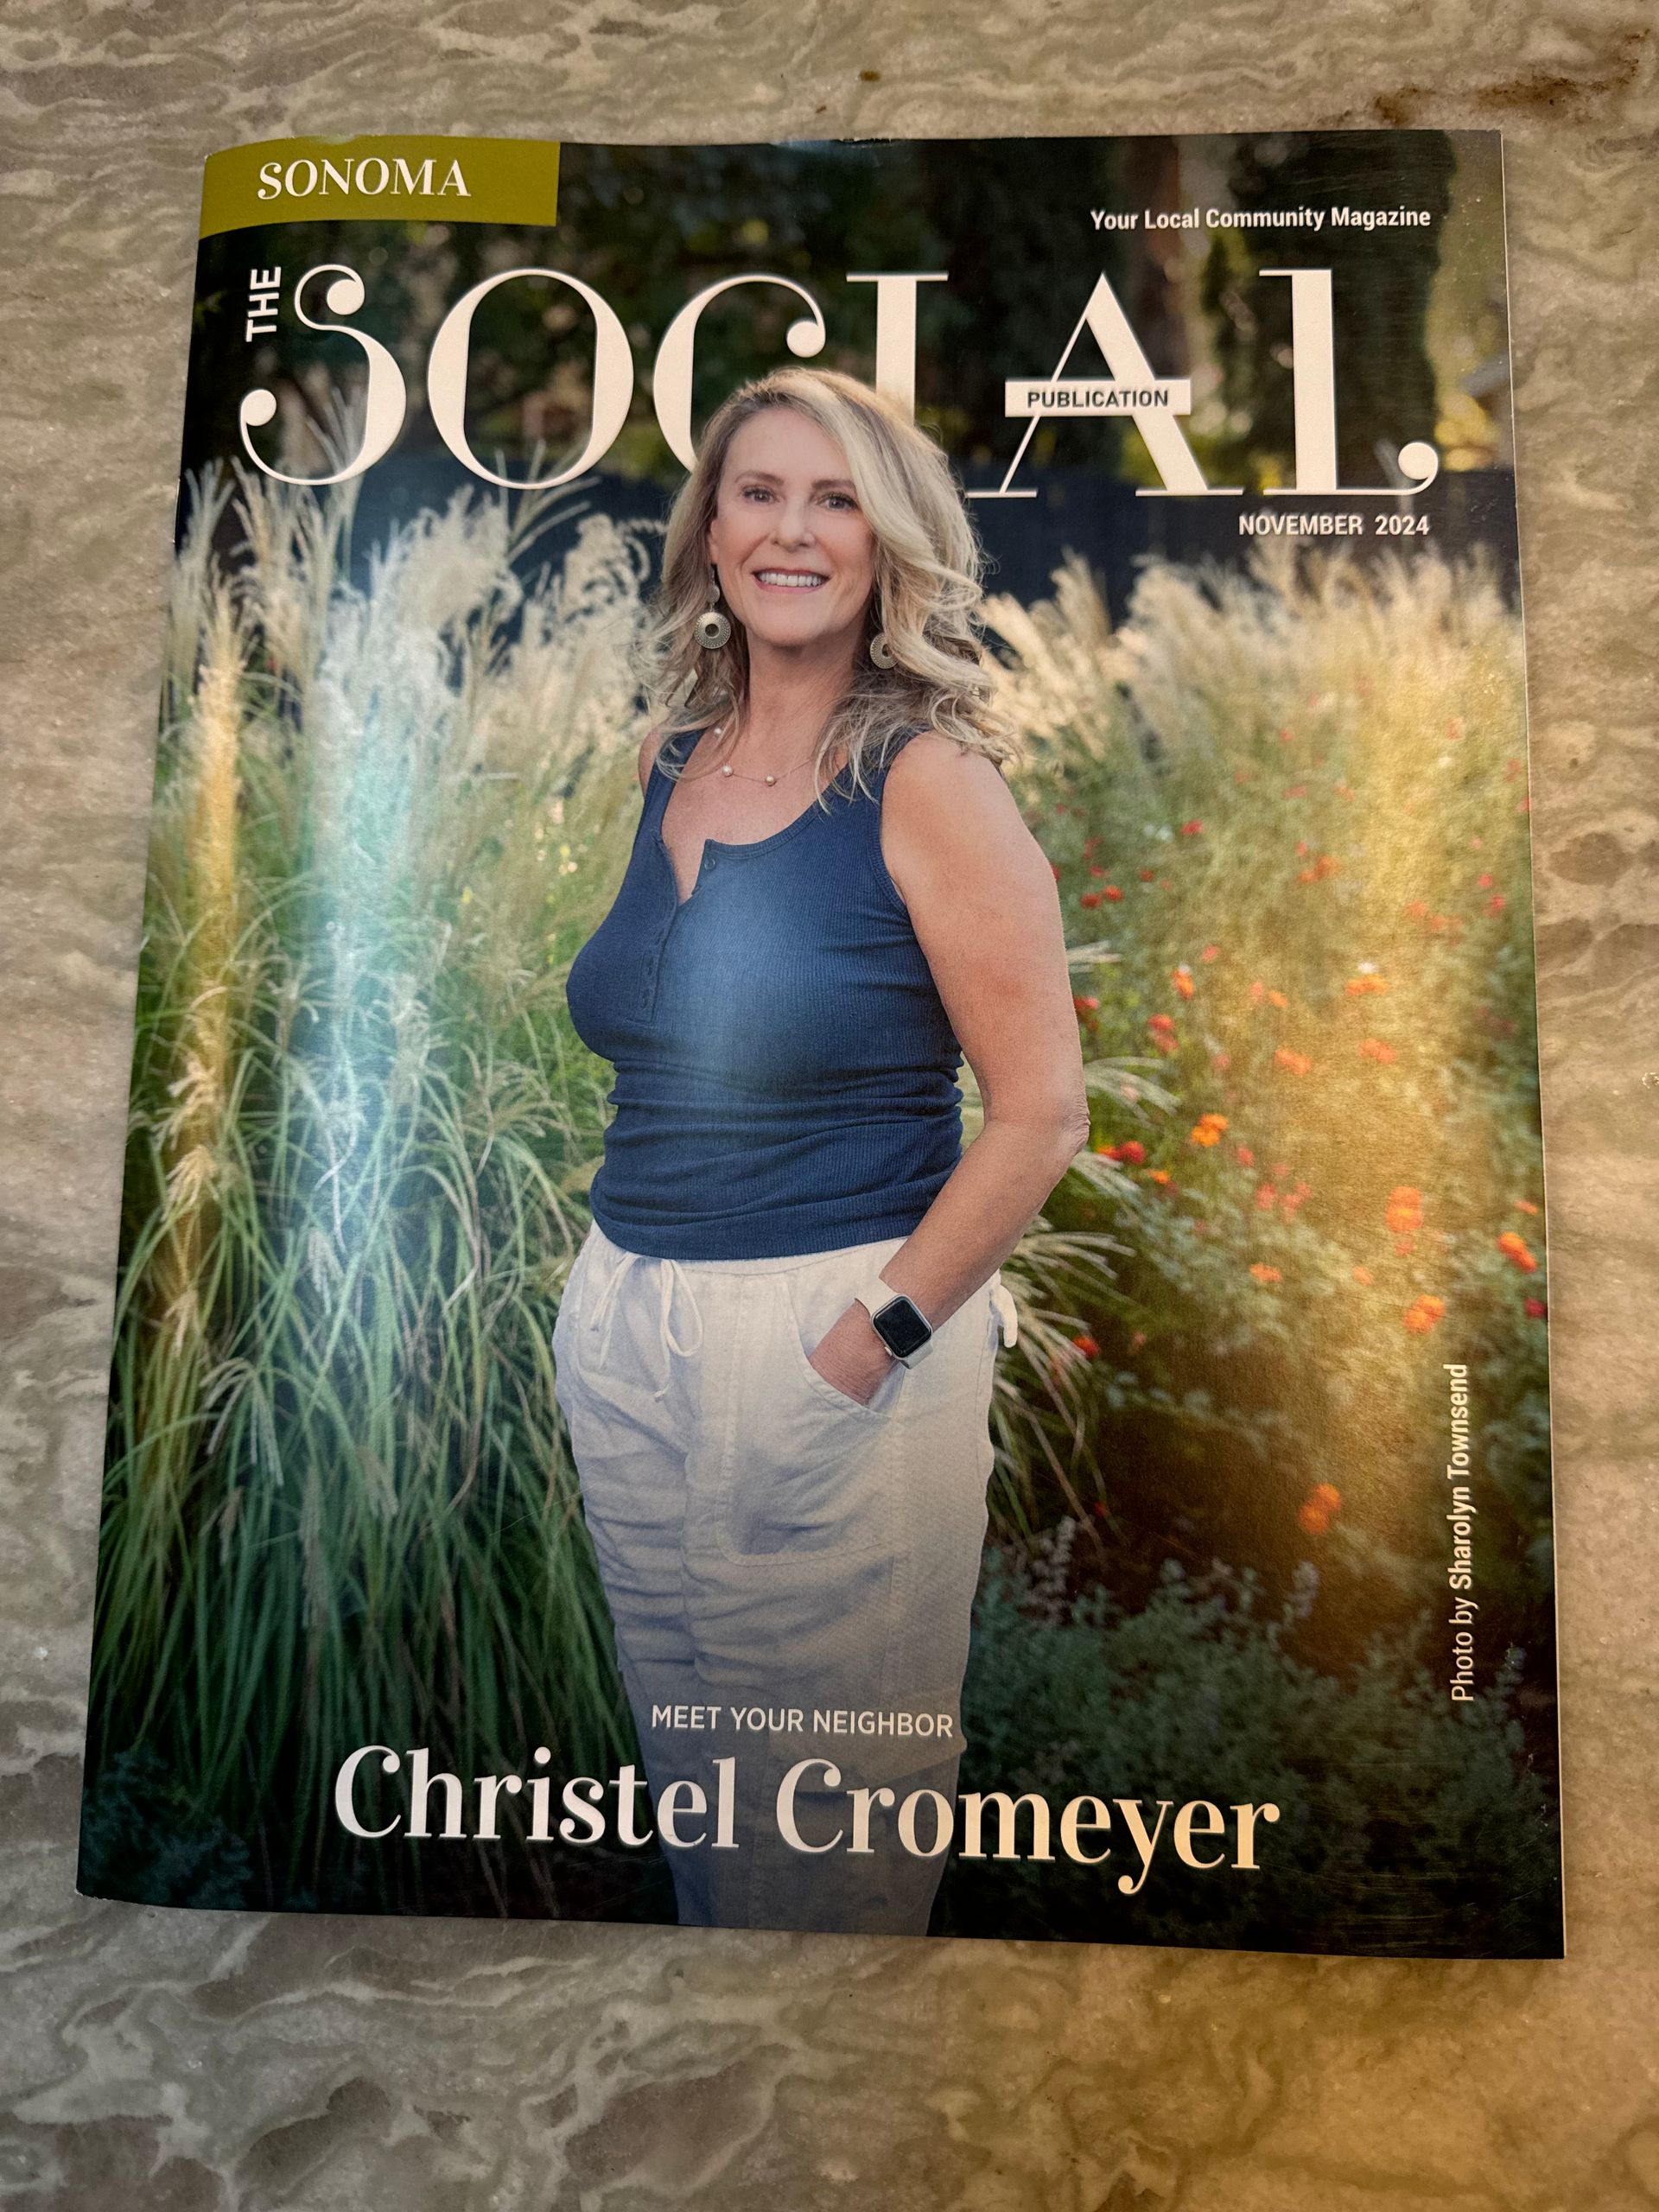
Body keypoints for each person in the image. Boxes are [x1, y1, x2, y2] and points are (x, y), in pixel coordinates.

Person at [555, 365, 1088, 1935]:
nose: (792, 531)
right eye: (761, 492)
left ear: (886, 543)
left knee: (829, 1869)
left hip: (833, 1330)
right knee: (702, 1818)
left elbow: (1042, 1113)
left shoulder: (930, 783)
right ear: (712, 531)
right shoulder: (670, 757)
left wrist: (866, 1346)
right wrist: (611, 1308)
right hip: (629, 1330)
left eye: (836, 498)